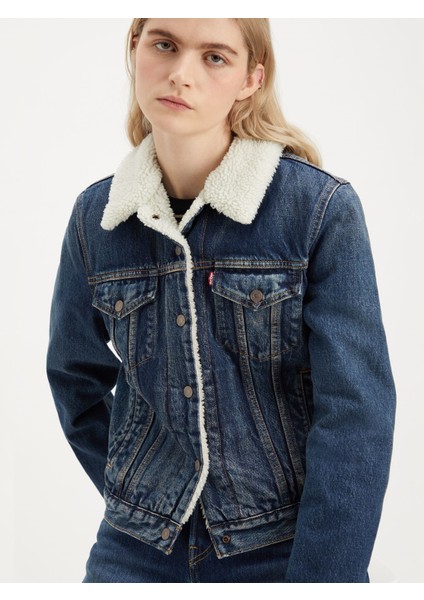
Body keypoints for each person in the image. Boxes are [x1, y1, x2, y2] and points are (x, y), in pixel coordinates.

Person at [46, 18, 396, 583]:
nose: (181, 74)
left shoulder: (317, 210)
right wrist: (143, 489)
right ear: (134, 48)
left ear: (251, 78)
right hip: (135, 551)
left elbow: (356, 413)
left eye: (214, 57)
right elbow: (74, 377)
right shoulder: (97, 218)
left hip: (281, 548)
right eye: (164, 45)